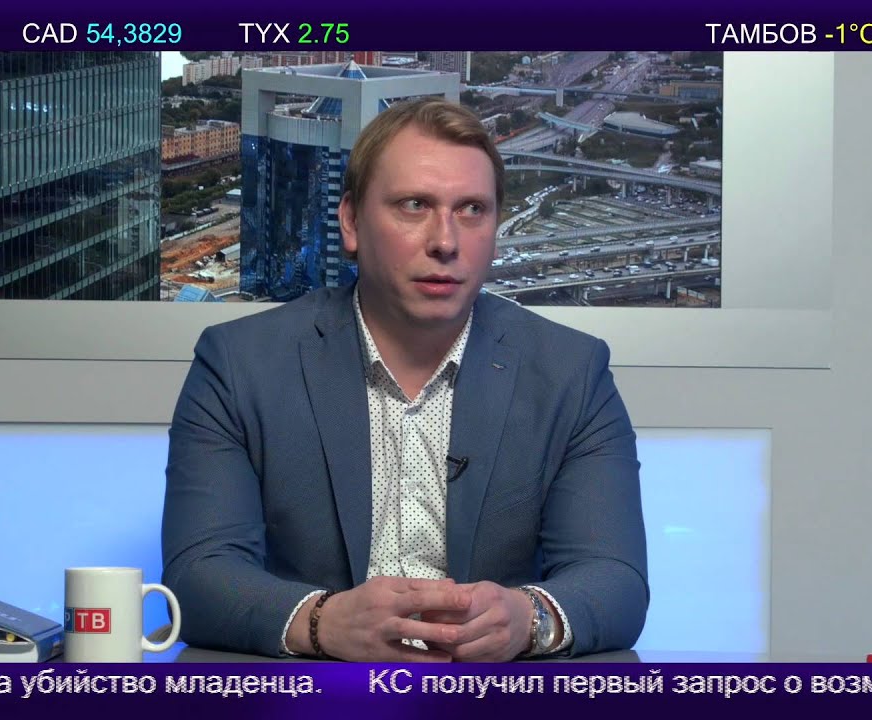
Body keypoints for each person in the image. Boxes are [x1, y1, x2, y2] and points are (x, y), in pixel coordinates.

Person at [162, 98, 647, 661]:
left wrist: (530, 618)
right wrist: (320, 622)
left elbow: (615, 581)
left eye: (472, 209)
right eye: (415, 205)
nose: (446, 241)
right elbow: (199, 574)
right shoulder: (237, 364)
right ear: (351, 222)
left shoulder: (573, 372)